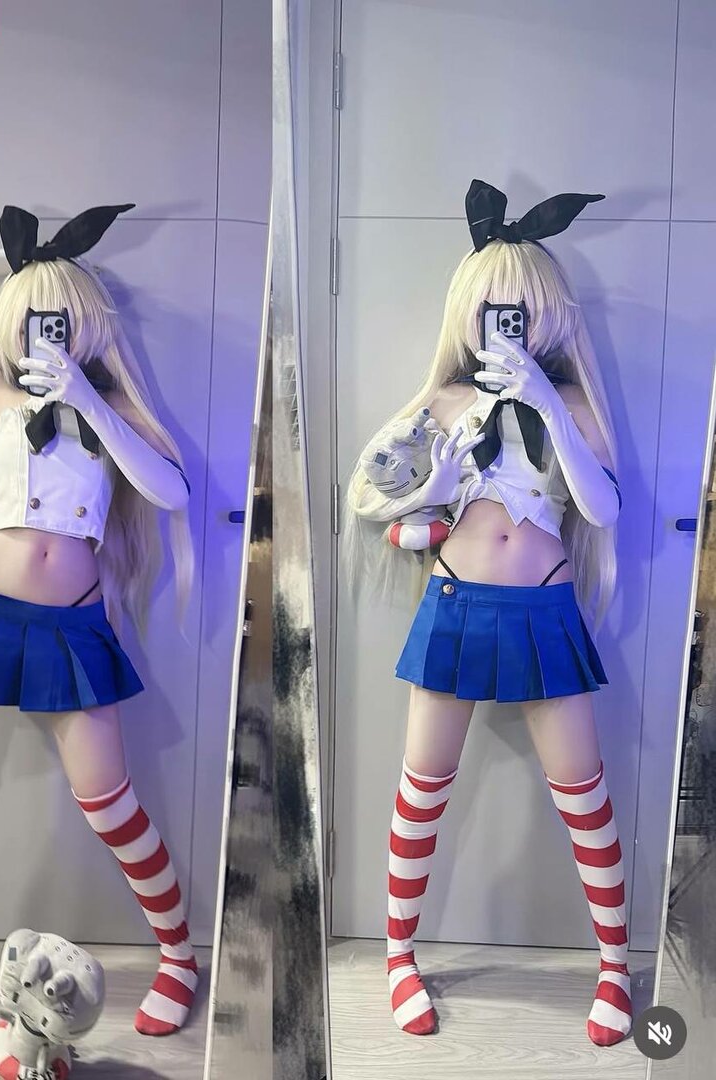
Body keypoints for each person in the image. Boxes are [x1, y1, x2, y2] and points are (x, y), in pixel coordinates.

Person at [0, 204, 198, 1042]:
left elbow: (171, 492)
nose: (46, 333)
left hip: (71, 626)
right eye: (33, 320)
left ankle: (178, 957)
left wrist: (87, 400)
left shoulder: (112, 413)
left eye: (62, 318)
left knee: (110, 804)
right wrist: (29, 261)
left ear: (89, 325)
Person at [345, 180, 631, 1046]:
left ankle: (615, 965)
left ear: (548, 316)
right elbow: (365, 498)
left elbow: (603, 509)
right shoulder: (440, 402)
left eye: (523, 309)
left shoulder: (572, 405)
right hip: (456, 605)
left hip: (545, 612)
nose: (508, 323)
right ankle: (399, 957)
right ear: (466, 315)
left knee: (584, 798)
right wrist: (426, 495)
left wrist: (543, 402)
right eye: (493, 309)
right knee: (420, 793)